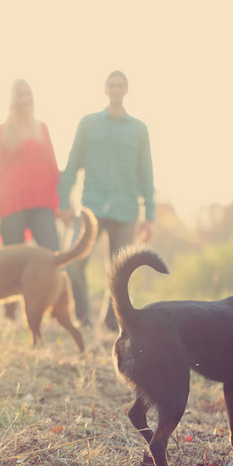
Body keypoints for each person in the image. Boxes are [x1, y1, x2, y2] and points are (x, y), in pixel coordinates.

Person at [57, 70, 155, 331]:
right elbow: (71, 165)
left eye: (120, 85)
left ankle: (111, 321)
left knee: (120, 270)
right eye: (111, 84)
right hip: (91, 207)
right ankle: (82, 318)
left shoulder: (139, 129)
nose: (115, 89)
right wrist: (63, 202)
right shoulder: (88, 123)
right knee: (74, 262)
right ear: (105, 89)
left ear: (126, 90)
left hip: (126, 209)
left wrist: (150, 216)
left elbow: (146, 174)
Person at [0, 79, 61, 318]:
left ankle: (58, 309)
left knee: (53, 255)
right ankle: (10, 315)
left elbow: (52, 167)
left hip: (41, 203)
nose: (25, 99)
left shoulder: (42, 128)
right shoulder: (1, 131)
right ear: (13, 99)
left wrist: (61, 204)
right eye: (20, 95)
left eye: (28, 94)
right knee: (10, 263)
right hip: (11, 205)